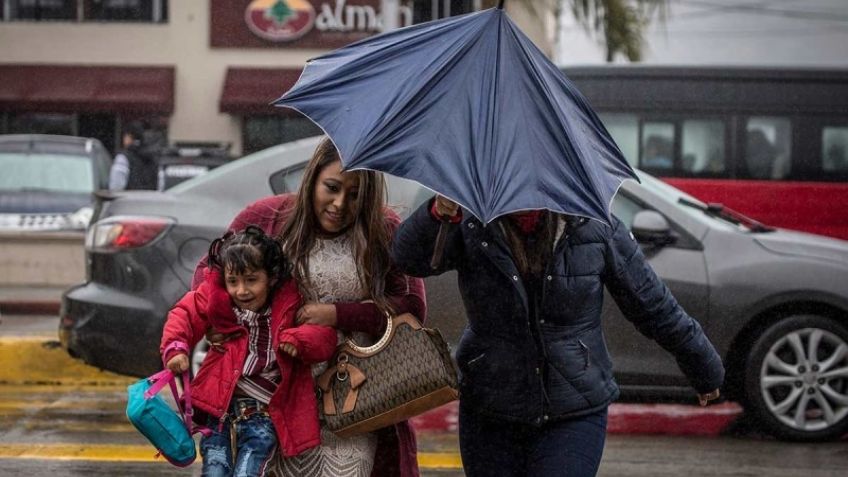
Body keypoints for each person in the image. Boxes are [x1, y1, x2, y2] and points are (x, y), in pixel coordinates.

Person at [391, 196, 724, 476]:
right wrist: (437, 213)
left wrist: (704, 366)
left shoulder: (593, 223)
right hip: (490, 405)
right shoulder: (471, 220)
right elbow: (406, 259)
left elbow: (652, 303)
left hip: (574, 405)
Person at [193, 137, 427, 477]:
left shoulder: (384, 229)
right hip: (273, 405)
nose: (339, 203)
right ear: (312, 179)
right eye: (331, 188)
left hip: (352, 405)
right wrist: (218, 319)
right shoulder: (268, 217)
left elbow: (412, 308)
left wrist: (338, 314)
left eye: (355, 194)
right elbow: (209, 274)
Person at [160, 226, 338, 477]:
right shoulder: (217, 300)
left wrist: (298, 340)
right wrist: (176, 348)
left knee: (248, 472)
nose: (241, 290)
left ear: (271, 278)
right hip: (218, 412)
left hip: (262, 416)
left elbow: (325, 338)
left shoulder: (288, 307)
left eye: (251, 280)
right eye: (233, 281)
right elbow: (184, 315)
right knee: (215, 471)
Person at [109, 120, 161, 190]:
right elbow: (159, 185)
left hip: (127, 197)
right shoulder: (153, 158)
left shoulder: (123, 158)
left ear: (129, 136)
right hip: (150, 196)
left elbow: (116, 186)